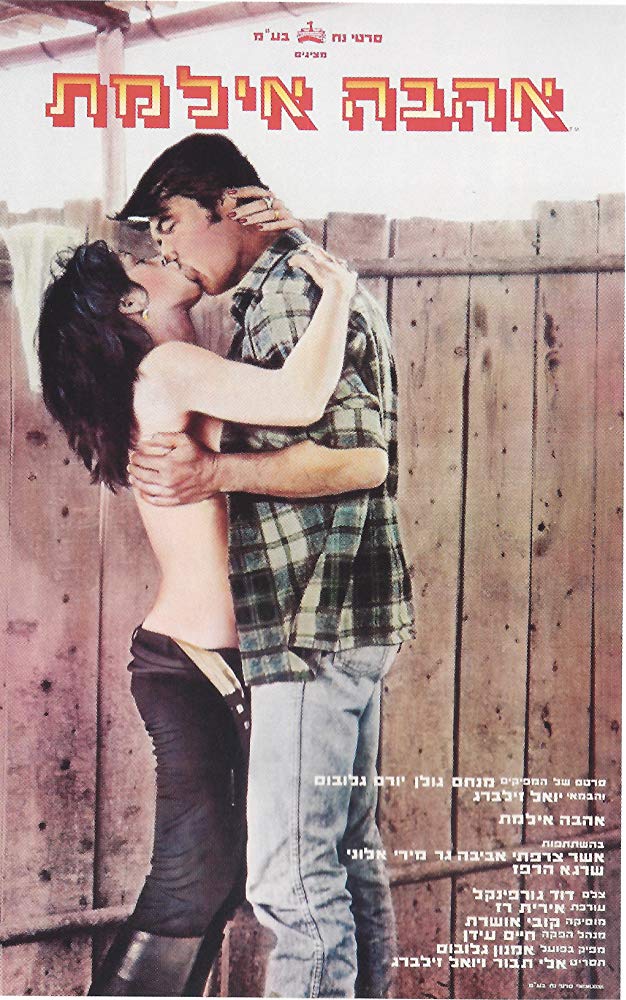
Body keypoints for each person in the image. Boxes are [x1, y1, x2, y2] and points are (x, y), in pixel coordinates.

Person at [117, 134, 415, 999]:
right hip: (343, 615)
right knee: (348, 862)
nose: (166, 246)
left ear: (233, 206)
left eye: (170, 222)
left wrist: (214, 473)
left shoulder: (290, 299)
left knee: (291, 881)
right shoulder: (304, 288)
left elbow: (358, 459)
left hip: (307, 621)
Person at [37, 213, 357, 996]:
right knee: (197, 876)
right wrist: (341, 292)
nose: (162, 257)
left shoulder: (173, 368)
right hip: (195, 665)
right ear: (128, 303)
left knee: (220, 876)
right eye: (141, 262)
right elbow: (301, 395)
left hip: (203, 662)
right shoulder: (167, 370)